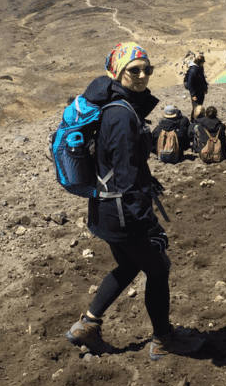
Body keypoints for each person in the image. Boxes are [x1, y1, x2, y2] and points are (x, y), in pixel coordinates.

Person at [66, 42, 204, 360]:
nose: (142, 75)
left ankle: (88, 325)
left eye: (147, 69)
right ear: (117, 71)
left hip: (104, 206)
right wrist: (150, 224)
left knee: (129, 265)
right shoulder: (121, 116)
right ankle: (163, 338)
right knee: (158, 269)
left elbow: (117, 165)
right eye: (134, 69)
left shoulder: (115, 106)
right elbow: (127, 179)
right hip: (122, 212)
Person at [185, 53, 208, 120]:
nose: (203, 63)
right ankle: (194, 121)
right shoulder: (193, 70)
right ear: (199, 62)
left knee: (199, 107)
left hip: (200, 91)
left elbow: (203, 79)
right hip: (196, 93)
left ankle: (196, 120)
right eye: (203, 62)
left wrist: (205, 88)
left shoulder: (199, 69)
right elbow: (190, 84)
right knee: (196, 108)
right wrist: (193, 95)